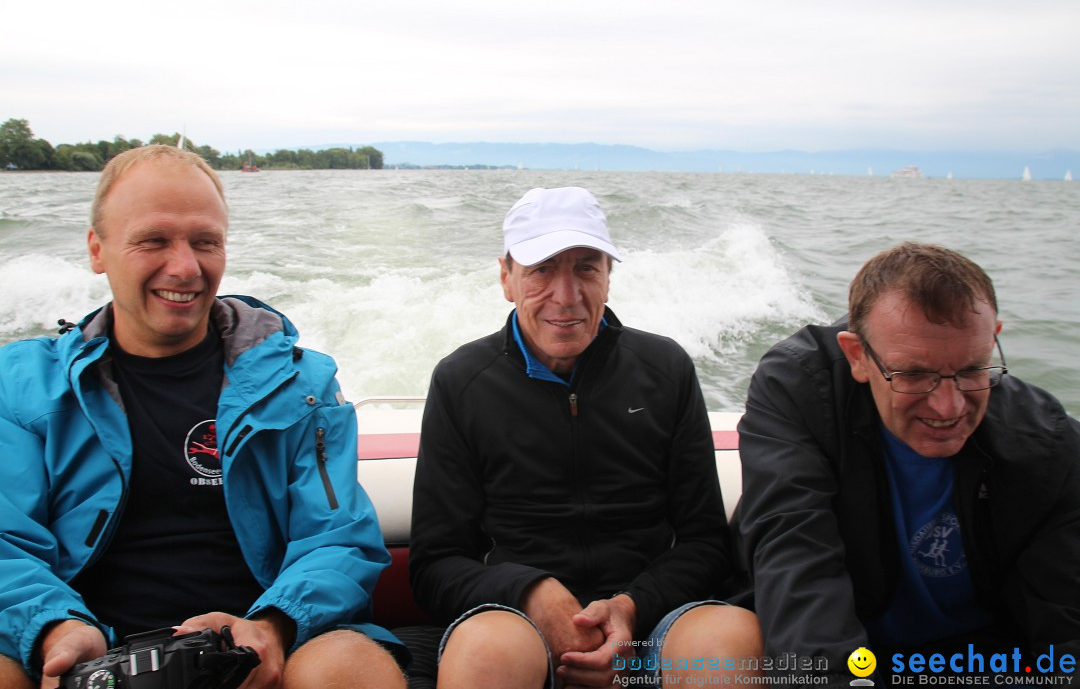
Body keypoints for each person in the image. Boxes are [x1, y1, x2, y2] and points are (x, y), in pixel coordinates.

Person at [0, 145, 407, 689]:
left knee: (346, 668)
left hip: (261, 641)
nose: (186, 267)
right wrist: (56, 629)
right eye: (154, 240)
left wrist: (272, 625)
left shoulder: (300, 385)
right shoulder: (25, 385)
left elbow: (338, 537)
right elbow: (6, 542)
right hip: (85, 652)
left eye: (205, 242)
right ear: (98, 250)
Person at [409, 186, 761, 688]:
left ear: (609, 279)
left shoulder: (666, 370)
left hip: (652, 619)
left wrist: (630, 607)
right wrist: (533, 592)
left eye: (586, 268)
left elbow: (705, 541)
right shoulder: (461, 382)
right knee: (488, 652)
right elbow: (435, 564)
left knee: (729, 638)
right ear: (506, 279)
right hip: (515, 622)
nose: (567, 295)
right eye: (542, 270)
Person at [735, 242, 1080, 683]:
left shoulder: (1047, 440)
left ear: (994, 337)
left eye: (974, 370)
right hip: (843, 651)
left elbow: (1065, 623)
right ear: (857, 355)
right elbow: (795, 556)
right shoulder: (802, 389)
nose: (948, 406)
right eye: (914, 375)